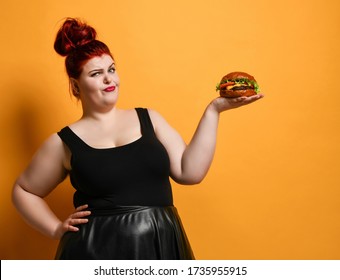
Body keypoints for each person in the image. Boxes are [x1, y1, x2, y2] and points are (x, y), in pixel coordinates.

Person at [12, 18, 263, 260]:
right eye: (96, 74)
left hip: (159, 244)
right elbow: (23, 190)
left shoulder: (150, 119)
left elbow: (190, 172)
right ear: (76, 86)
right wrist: (55, 228)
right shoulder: (64, 141)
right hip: (92, 251)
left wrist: (214, 110)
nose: (109, 79)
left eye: (111, 69)